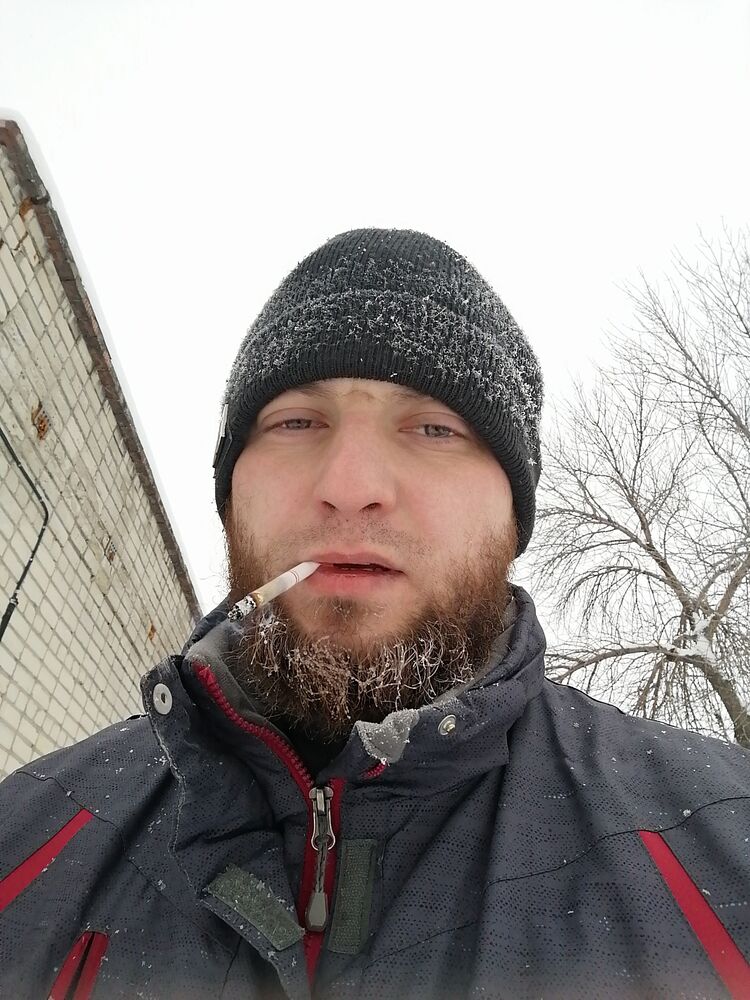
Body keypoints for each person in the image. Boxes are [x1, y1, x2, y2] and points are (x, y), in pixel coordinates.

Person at [0, 228, 748, 1000]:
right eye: (296, 422)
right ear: (231, 493)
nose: (350, 486)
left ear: (513, 514)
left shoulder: (725, 848)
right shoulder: (25, 836)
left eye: (434, 428)